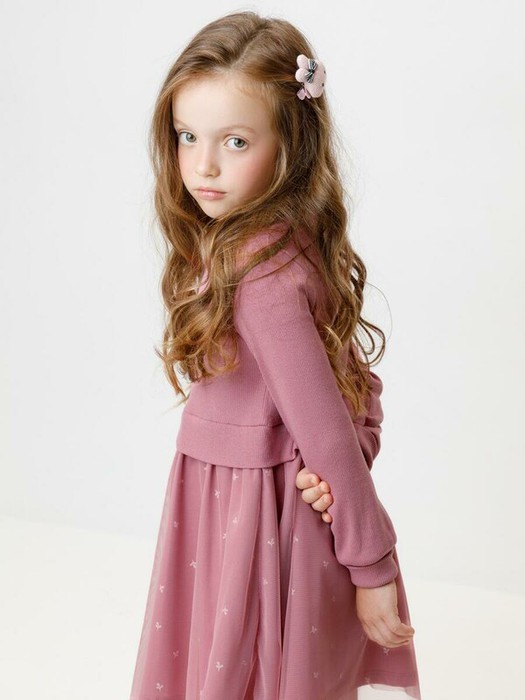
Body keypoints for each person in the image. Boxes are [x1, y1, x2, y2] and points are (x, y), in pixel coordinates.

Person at [129, 10, 422, 700]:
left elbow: (325, 428)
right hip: (238, 504)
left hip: (258, 518)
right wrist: (354, 441)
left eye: (235, 141)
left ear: (289, 143)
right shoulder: (276, 238)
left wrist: (373, 565)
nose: (203, 165)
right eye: (187, 136)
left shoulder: (256, 270)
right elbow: (349, 389)